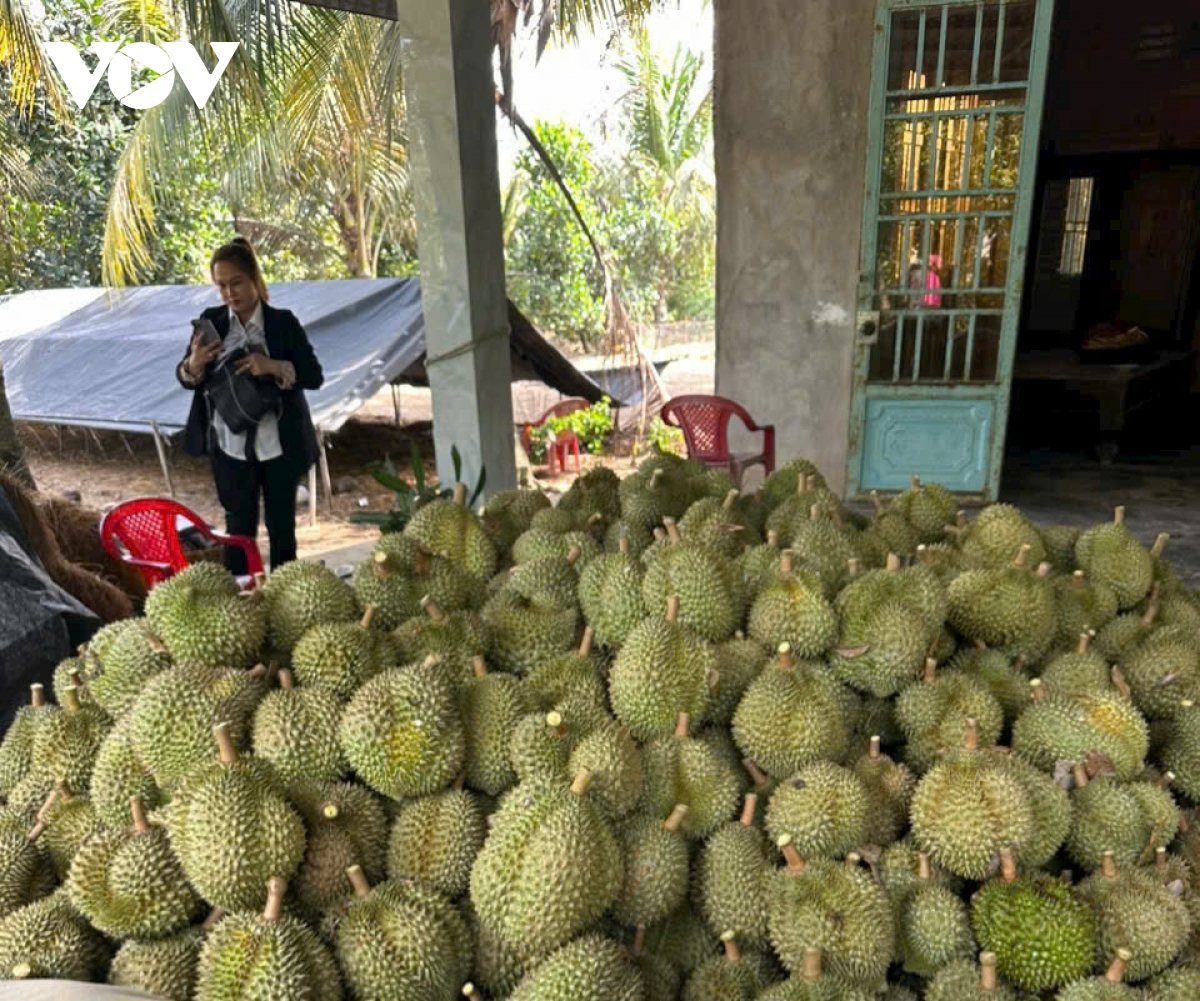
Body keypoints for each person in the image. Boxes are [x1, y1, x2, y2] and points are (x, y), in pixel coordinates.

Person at [176, 237, 324, 575]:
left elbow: (314, 376)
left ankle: (287, 599)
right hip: (229, 446)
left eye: (236, 283)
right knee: (238, 532)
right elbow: (186, 378)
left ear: (254, 278)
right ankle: (242, 604)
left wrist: (271, 366)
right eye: (221, 286)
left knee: (282, 529)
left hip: (279, 444)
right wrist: (195, 362)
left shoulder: (283, 323)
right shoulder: (211, 321)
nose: (230, 293)